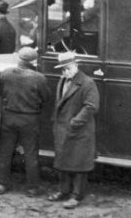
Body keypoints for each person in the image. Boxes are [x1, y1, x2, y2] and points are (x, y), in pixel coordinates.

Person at [47, 52, 100, 209]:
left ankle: (76, 196)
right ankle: (63, 191)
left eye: (67, 68)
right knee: (62, 161)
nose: (65, 72)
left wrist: (75, 122)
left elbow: (91, 106)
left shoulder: (87, 83)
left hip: (78, 130)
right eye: (62, 69)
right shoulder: (63, 80)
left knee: (79, 164)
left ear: (76, 65)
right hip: (62, 129)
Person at [0, 46, 50, 196]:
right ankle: (32, 188)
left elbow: (0, 91)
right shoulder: (39, 78)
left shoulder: (6, 74)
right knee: (31, 153)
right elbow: (46, 97)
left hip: (9, 117)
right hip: (30, 119)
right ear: (33, 62)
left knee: (5, 151)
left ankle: (1, 184)